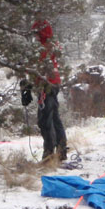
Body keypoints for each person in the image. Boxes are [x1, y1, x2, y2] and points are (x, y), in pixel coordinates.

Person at [31, 19, 68, 161]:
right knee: (54, 118)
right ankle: (61, 150)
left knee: (45, 120)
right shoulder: (53, 46)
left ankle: (49, 152)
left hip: (46, 86)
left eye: (36, 33)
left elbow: (38, 70)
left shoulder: (43, 48)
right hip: (53, 85)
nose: (35, 36)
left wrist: (34, 85)